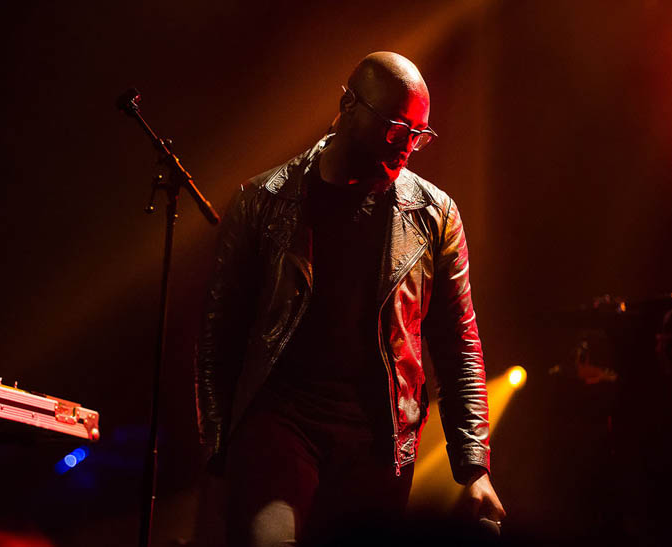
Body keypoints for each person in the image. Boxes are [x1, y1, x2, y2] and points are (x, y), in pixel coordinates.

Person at [195, 51, 505, 546]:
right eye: (395, 127)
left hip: (379, 443)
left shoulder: (435, 215)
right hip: (279, 421)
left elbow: (459, 344)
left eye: (419, 133)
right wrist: (217, 448)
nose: (407, 144)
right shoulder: (263, 200)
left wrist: (474, 469)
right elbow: (219, 330)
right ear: (347, 104)